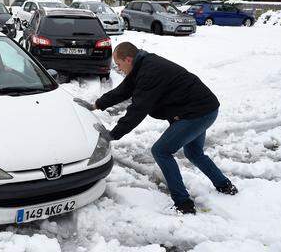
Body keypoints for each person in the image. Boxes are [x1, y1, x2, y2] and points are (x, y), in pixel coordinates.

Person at [90, 42, 238, 214]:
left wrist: (113, 134)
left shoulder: (150, 72)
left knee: (161, 151)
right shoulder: (142, 64)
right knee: (194, 153)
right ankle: (224, 185)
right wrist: (97, 104)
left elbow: (138, 109)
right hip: (203, 108)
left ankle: (183, 204)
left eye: (119, 64)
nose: (119, 68)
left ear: (128, 59)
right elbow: (124, 90)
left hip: (198, 113)